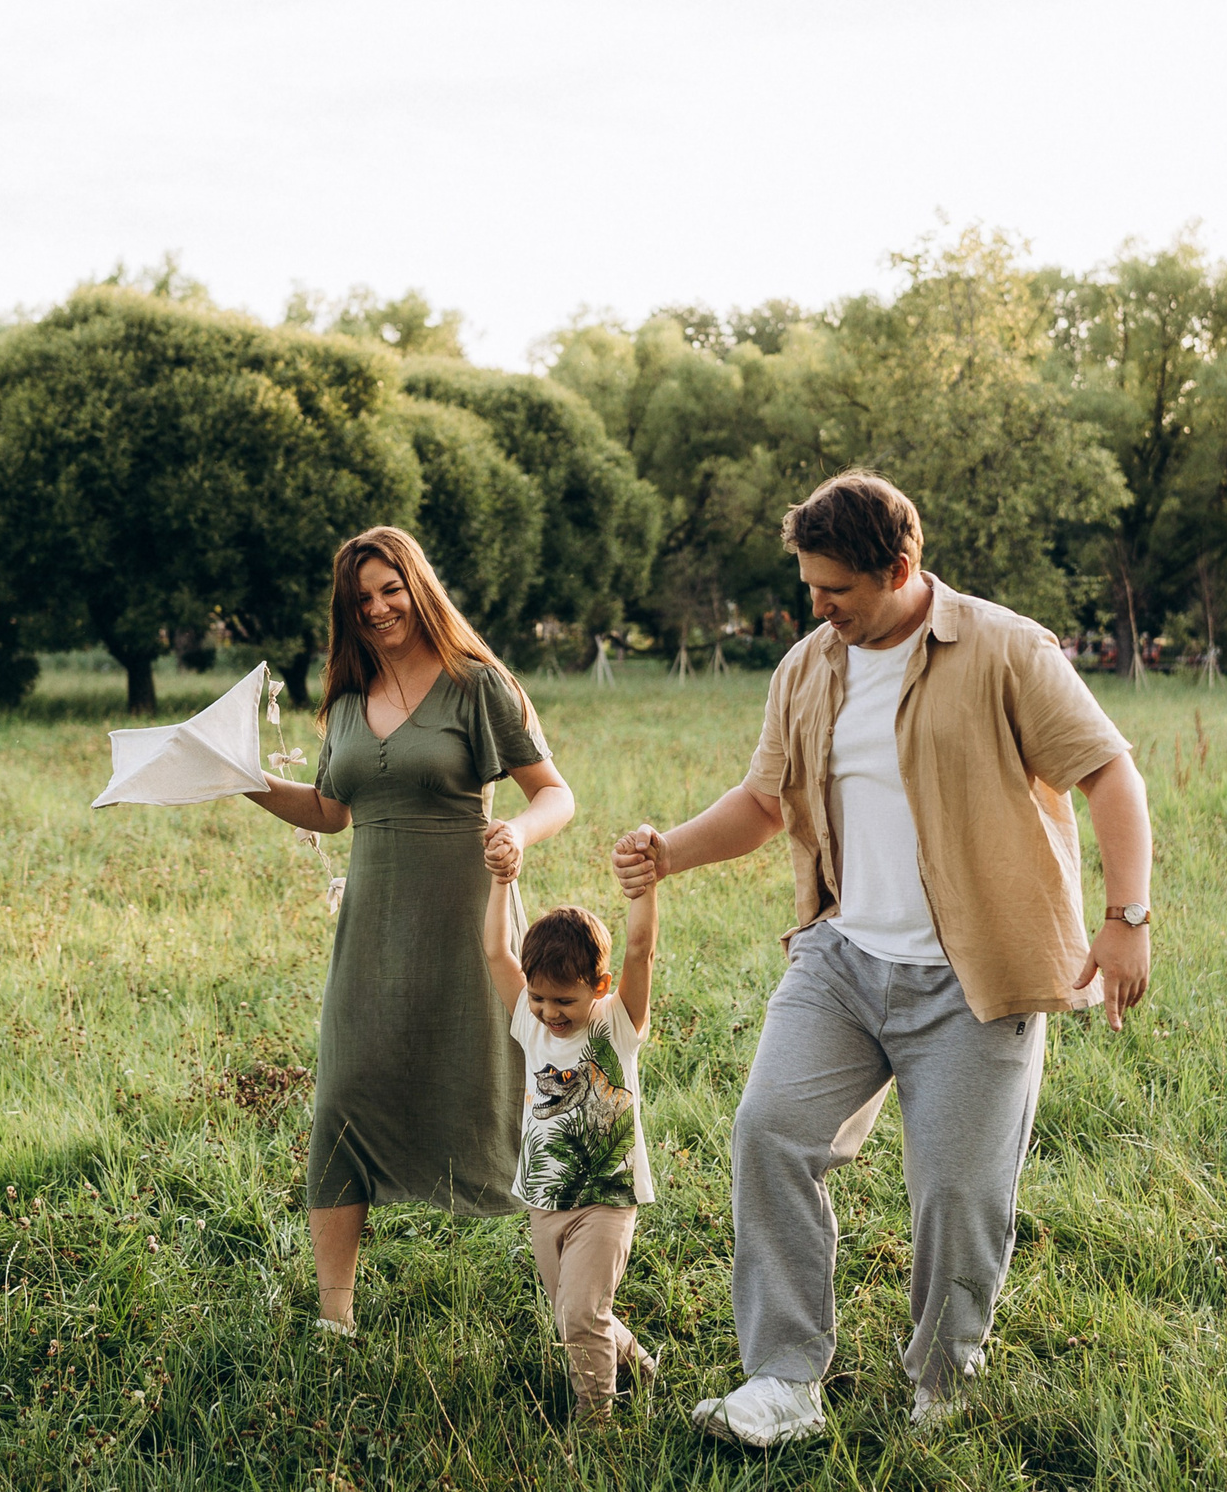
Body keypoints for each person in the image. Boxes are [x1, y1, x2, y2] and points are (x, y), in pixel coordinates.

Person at [613, 471, 1155, 1443]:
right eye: (810, 588)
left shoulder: (1005, 649)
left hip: (974, 977)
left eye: (835, 590)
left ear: (898, 569)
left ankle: (943, 1383)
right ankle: (784, 1381)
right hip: (842, 961)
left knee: (957, 1194)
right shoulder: (807, 667)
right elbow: (765, 801)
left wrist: (1127, 917)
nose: (816, 607)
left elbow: (1111, 773)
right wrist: (669, 852)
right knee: (769, 1132)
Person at [244, 526, 576, 1336]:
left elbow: (554, 792)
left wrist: (518, 831)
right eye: (361, 598)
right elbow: (331, 810)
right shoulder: (346, 700)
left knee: (514, 1103)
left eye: (390, 589)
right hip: (372, 929)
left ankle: (585, 1309)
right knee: (344, 1097)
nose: (378, 607)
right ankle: (336, 1319)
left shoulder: (477, 684)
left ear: (417, 587)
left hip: (471, 922)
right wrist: (242, 780)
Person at [477, 879, 663, 1422]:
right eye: (539, 998)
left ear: (599, 987)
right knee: (572, 1315)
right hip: (544, 1199)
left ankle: (595, 1417)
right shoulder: (529, 1024)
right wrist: (502, 881)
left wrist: (645, 885)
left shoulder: (616, 1024)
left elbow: (640, 950)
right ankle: (639, 1365)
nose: (549, 1012)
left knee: (581, 1312)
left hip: (606, 1198)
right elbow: (496, 950)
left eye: (564, 1000)